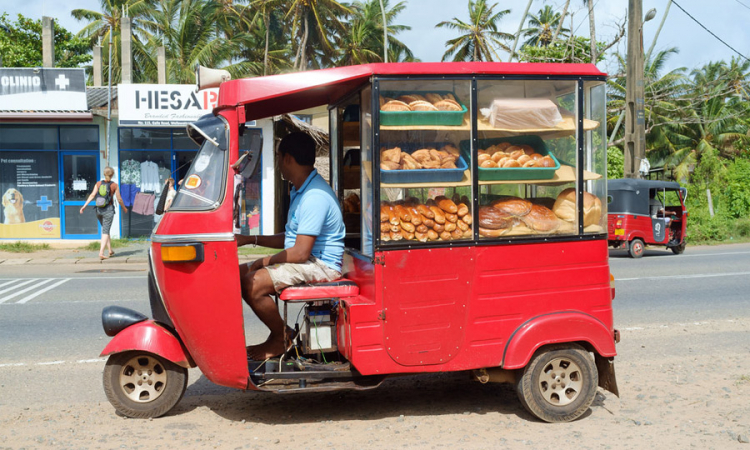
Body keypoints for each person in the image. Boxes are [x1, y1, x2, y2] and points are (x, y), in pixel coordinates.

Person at [236, 132, 345, 360]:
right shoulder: (301, 189)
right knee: (236, 273)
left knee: (252, 283)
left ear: (287, 158)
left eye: (278, 157)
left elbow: (299, 252)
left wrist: (260, 262)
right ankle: (280, 334)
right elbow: (291, 238)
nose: (277, 164)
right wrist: (251, 239)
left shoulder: (315, 196)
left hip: (322, 265)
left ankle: (282, 337)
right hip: (308, 259)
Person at [80, 166, 128, 260]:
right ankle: (101, 252)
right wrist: (124, 208)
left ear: (104, 174)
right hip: (108, 210)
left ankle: (110, 250)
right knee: (105, 231)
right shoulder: (114, 185)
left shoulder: (98, 184)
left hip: (98, 210)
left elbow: (92, 195)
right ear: (112, 174)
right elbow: (119, 199)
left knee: (106, 229)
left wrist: (84, 206)